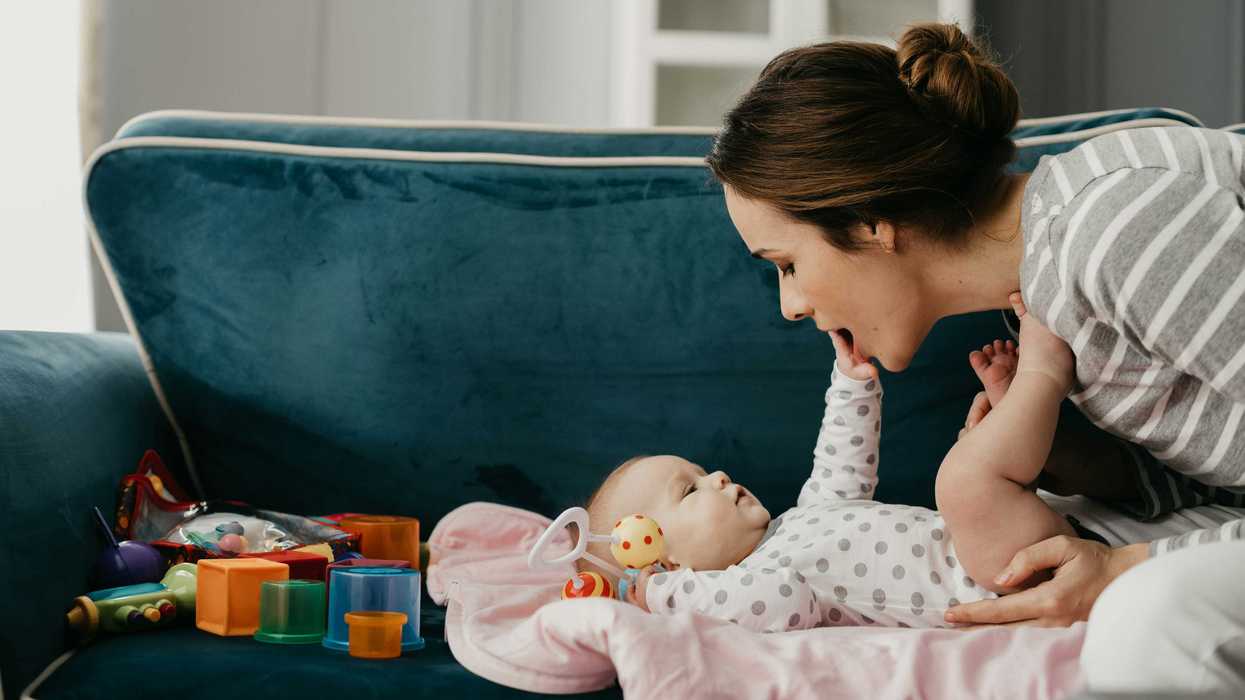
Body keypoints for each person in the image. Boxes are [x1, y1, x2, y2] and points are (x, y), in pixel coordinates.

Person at [704, 20, 1245, 693]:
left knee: (1147, 618)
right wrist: (1094, 468)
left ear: (871, 224)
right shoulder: (1045, 292)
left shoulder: (1117, 234)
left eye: (785, 264)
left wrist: (1124, 571)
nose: (789, 305)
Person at [582, 319, 1167, 631]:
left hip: (993, 549)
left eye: (700, 470)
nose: (715, 476)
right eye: (688, 490)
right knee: (967, 479)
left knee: (976, 468)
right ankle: (1042, 375)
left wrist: (853, 384)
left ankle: (1016, 418)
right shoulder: (764, 581)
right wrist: (661, 592)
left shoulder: (801, 520)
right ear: (666, 556)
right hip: (994, 583)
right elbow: (781, 602)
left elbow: (841, 460)